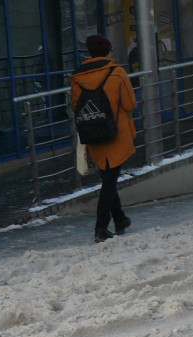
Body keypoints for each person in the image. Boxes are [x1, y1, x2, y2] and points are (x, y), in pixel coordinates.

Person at [70, 34, 137, 243]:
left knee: (108, 175)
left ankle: (120, 219)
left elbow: (75, 106)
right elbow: (130, 104)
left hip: (93, 132)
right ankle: (101, 227)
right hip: (116, 133)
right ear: (107, 51)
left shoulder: (77, 78)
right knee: (109, 180)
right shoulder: (117, 73)